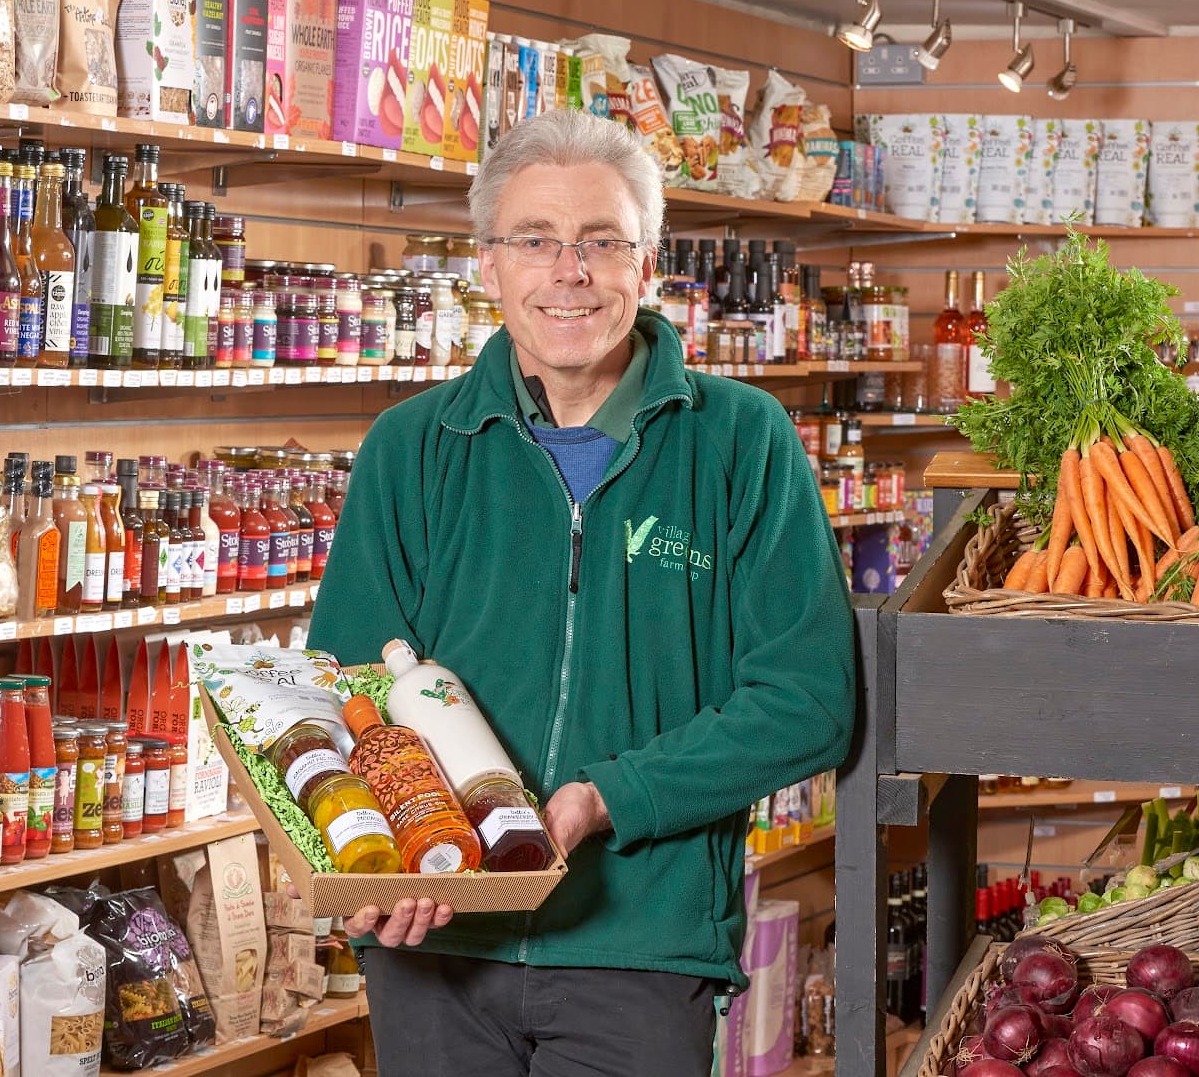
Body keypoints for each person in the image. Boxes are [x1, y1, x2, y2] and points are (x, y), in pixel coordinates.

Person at [307, 107, 855, 1077]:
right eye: (535, 241)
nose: (569, 272)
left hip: (637, 943)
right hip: (439, 942)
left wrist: (610, 797)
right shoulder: (412, 447)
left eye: (602, 242)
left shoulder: (739, 442)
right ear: (489, 267)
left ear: (647, 268)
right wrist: (399, 854)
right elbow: (346, 687)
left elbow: (805, 701)